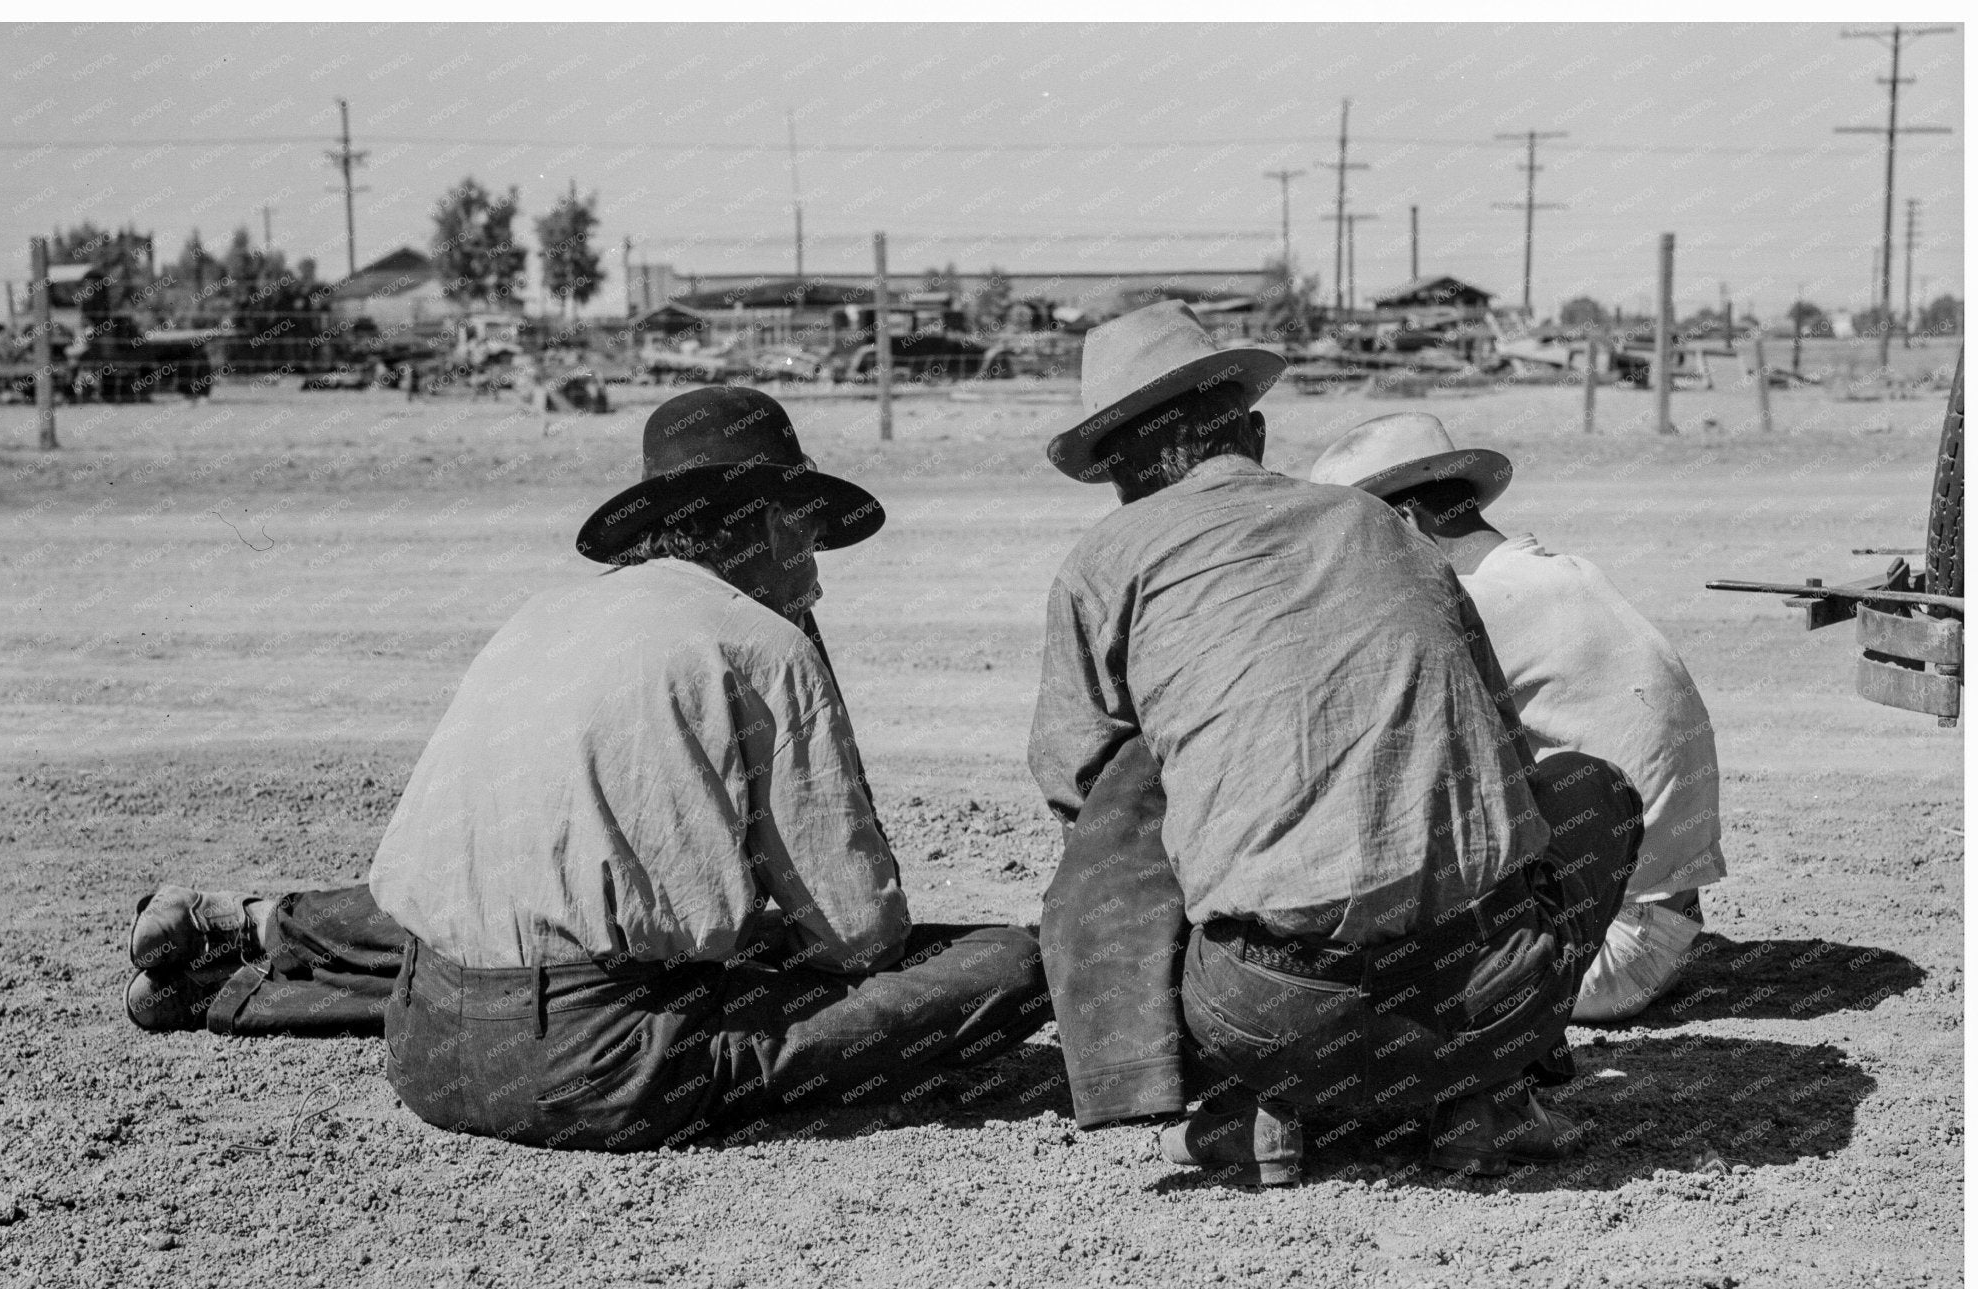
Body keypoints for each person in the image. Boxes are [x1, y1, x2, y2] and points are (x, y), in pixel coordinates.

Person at [125, 386, 1053, 1154]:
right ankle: (235, 982)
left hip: (422, 1039)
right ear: (770, 526)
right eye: (809, 538)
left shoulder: (543, 615)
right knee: (1012, 963)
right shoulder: (762, 646)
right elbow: (860, 938)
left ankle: (231, 981)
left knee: (559, 917)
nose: (818, 571)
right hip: (594, 1070)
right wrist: (801, 649)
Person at [1030, 302, 1643, 1183]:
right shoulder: (1381, 527)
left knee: (1133, 780)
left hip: (1271, 1020)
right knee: (1590, 789)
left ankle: (1254, 1106)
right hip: (1493, 996)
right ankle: (1491, 1098)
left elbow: (1079, 795)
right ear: (1254, 430)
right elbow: (1502, 757)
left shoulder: (1104, 562)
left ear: (1115, 474)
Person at [1305, 412, 1724, 1021]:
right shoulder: (1556, 575)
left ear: (1405, 520)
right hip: (1656, 924)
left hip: (1611, 954)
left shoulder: (1483, 604)